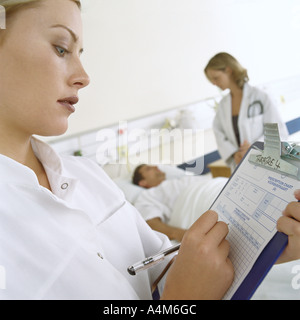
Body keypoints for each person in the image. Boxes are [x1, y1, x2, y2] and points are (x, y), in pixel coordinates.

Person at [0, 0, 235, 300]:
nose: (83, 77)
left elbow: (166, 269)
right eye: (61, 48)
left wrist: (261, 245)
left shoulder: (90, 174)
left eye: (79, 53)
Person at [204, 52, 289, 171]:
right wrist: (234, 153)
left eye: (216, 78)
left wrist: (254, 148)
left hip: (265, 162)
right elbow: (219, 134)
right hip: (240, 165)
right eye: (211, 80)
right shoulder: (223, 105)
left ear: (228, 70)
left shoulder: (261, 97)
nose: (214, 83)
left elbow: (279, 132)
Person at [132, 164, 227, 242]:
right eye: (148, 169)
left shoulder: (181, 180)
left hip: (218, 185)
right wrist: (181, 234)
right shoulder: (147, 196)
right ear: (142, 182)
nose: (156, 167)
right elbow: (151, 223)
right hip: (196, 201)